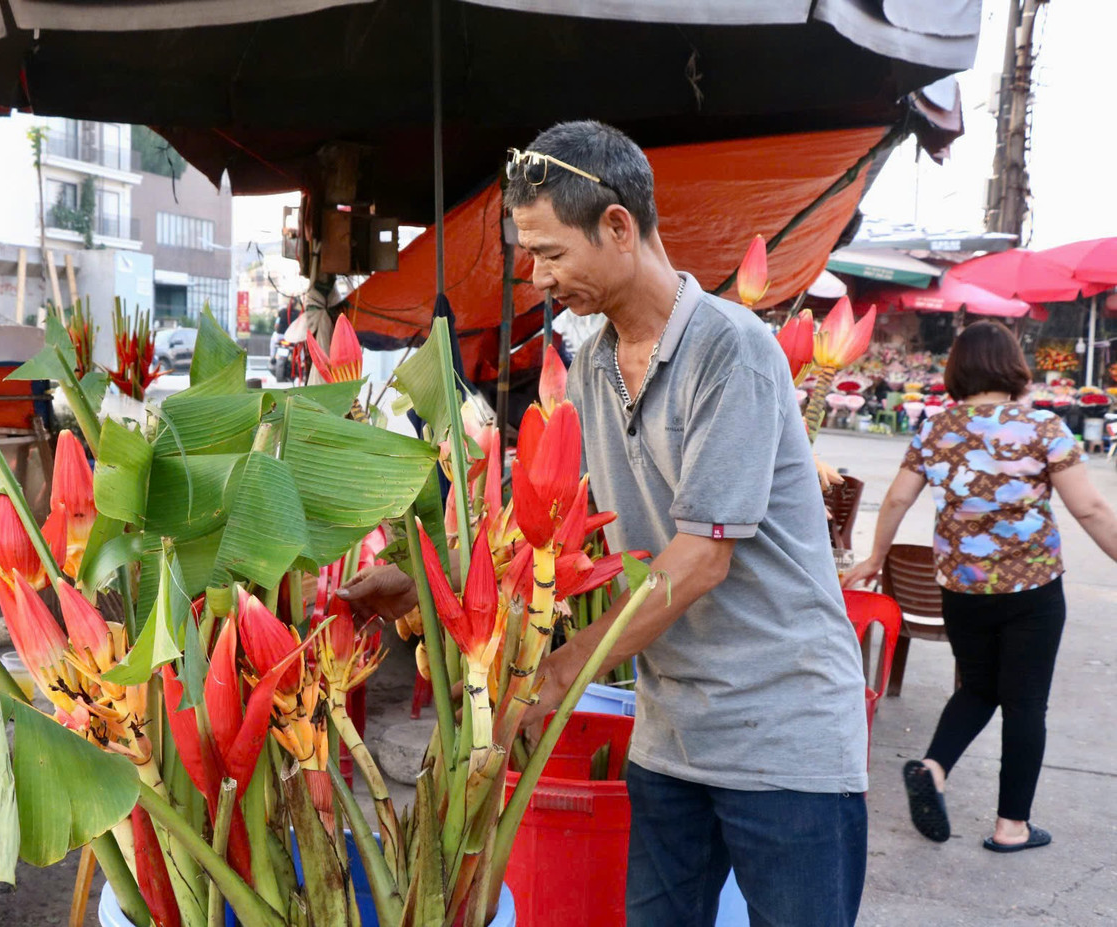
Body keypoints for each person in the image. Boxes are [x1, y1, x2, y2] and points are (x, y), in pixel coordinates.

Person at [340, 121, 869, 926]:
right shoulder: (591, 364)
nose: (537, 278)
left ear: (618, 226)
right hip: (671, 733)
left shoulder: (733, 349)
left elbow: (701, 558)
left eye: (550, 253)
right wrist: (425, 584)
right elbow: (542, 518)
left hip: (783, 734)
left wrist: (554, 674)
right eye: (529, 256)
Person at [843, 321, 1117, 853]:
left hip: (961, 590)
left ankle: (934, 766)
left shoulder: (936, 428)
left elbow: (897, 498)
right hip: (1032, 590)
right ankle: (1011, 826)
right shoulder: (1043, 428)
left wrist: (877, 555)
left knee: (977, 688)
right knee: (1025, 704)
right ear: (1012, 365)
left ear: (958, 369)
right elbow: (1089, 507)